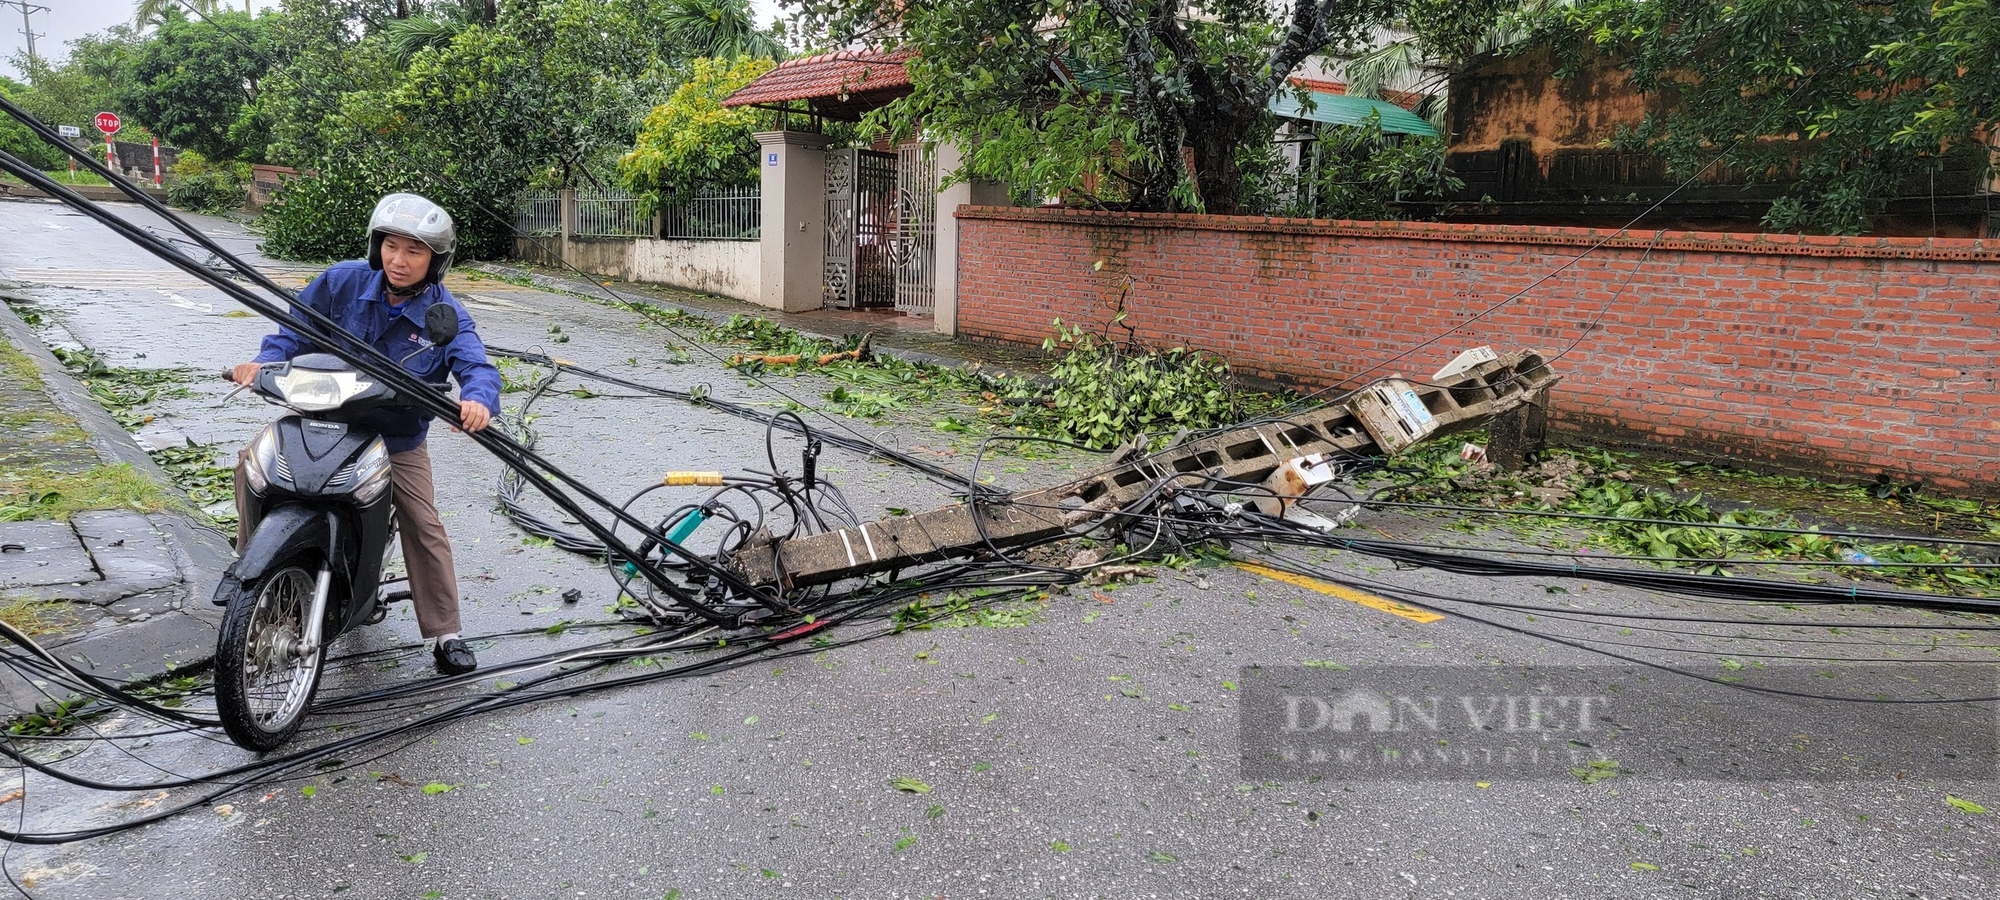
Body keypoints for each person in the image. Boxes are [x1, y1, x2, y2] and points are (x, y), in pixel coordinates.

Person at [231, 193, 501, 675]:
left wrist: (477, 400)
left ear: (435, 261)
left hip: (394, 438)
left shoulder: (445, 313)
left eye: (415, 252)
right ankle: (248, 575)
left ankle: (446, 632)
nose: (400, 261)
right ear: (377, 247)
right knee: (254, 468)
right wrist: (263, 362)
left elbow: (475, 364)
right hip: (318, 419)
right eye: (392, 247)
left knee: (422, 522)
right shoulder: (340, 281)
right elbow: (292, 331)